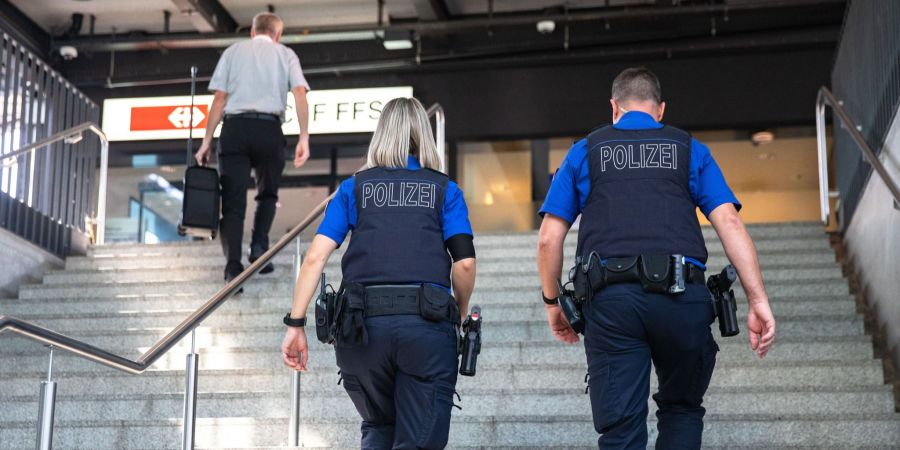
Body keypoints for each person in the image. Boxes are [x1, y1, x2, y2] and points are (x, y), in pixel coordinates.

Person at [536, 67, 776, 449]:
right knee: (681, 409)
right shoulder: (689, 149)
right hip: (682, 298)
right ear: (660, 110)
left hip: (611, 303)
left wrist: (553, 304)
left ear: (614, 107)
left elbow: (549, 238)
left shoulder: (586, 150)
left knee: (620, 429)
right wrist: (758, 300)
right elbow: (729, 220)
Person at [280, 97, 477, 449]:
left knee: (378, 427)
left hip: (360, 331)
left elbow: (315, 258)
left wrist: (296, 324)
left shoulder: (353, 188)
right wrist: (459, 316)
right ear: (425, 136)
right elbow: (464, 263)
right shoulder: (445, 190)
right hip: (427, 328)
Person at [195, 12, 311, 282]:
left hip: (235, 129)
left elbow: (220, 99)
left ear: (252, 31)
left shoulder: (233, 52)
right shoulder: (286, 54)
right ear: (277, 34)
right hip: (269, 130)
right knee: (267, 194)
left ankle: (233, 267)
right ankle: (259, 247)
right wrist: (304, 136)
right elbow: (300, 93)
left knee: (233, 203)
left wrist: (206, 141)